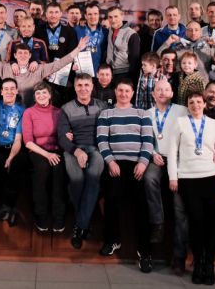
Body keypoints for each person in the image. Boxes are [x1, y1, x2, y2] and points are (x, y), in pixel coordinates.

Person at [167, 91, 215, 285]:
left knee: (212, 223)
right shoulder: (180, 123)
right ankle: (198, 263)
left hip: (211, 177)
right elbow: (172, 151)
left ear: (204, 104)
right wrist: (173, 176)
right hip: (188, 178)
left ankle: (209, 265)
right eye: (191, 102)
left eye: (198, 101)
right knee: (196, 222)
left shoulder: (214, 124)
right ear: (187, 105)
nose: (195, 105)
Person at [96, 79, 154, 273]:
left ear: (132, 93)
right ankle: (113, 240)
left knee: (142, 205)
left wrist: (143, 162)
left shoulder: (142, 114)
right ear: (115, 92)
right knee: (111, 199)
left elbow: (148, 141)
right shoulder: (106, 114)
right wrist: (110, 161)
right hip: (115, 163)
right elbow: (102, 140)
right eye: (120, 90)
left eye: (127, 91)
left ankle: (144, 252)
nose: (123, 94)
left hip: (137, 164)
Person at [0, 28, 89, 106]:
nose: (22, 55)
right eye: (20, 53)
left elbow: (60, 63)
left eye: (25, 53)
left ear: (30, 55)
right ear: (15, 55)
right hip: (11, 110)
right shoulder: (5, 68)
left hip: (32, 111)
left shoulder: (39, 69)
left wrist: (78, 49)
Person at [142, 78, 190, 275]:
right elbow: (145, 139)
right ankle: (158, 222)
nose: (162, 92)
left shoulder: (182, 111)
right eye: (158, 89)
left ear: (172, 93)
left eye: (166, 89)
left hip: (177, 160)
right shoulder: (146, 114)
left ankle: (179, 258)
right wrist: (153, 153)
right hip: (157, 158)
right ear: (153, 94)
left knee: (180, 209)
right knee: (149, 178)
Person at [58, 73, 108, 249]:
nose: (83, 89)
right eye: (79, 85)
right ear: (75, 88)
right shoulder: (66, 108)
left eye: (87, 85)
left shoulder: (102, 106)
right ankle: (84, 224)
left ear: (92, 87)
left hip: (97, 149)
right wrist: (77, 151)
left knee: (93, 178)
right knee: (76, 180)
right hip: (73, 149)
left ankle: (79, 226)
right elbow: (62, 138)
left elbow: (108, 130)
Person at [22, 82, 67, 232]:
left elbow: (64, 134)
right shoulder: (29, 112)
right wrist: (47, 154)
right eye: (38, 93)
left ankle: (59, 216)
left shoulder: (59, 112)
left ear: (50, 95)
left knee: (58, 171)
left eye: (44, 93)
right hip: (37, 150)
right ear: (34, 97)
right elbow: (28, 142)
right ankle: (40, 214)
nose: (41, 96)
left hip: (56, 150)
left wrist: (68, 136)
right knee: (42, 169)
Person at [0, 78, 27, 226]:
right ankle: (6, 207)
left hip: (14, 147)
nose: (9, 91)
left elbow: (18, 139)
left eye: (12, 89)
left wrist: (11, 157)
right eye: (6, 89)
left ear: (16, 91)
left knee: (18, 163)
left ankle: (8, 206)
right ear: (1, 91)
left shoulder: (22, 110)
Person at [105, 6, 141, 83]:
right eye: (110, 17)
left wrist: (130, 78)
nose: (113, 20)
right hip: (109, 73)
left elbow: (134, 59)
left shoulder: (132, 34)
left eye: (116, 16)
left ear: (122, 16)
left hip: (124, 74)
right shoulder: (109, 31)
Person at [74, 1, 108, 74]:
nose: (93, 17)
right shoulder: (77, 30)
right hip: (81, 74)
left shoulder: (106, 32)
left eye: (95, 14)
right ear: (85, 16)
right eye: (90, 14)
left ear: (99, 15)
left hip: (100, 74)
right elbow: (71, 51)